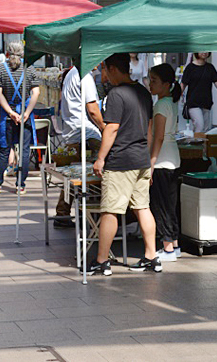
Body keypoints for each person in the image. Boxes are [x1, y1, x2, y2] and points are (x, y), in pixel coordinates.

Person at [90, 53, 161, 275]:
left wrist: (100, 158)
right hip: (141, 159)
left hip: (121, 160)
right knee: (142, 207)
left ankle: (102, 261)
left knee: (110, 210)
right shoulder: (143, 92)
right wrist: (149, 160)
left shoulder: (116, 94)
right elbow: (148, 130)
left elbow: (111, 128)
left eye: (104, 70)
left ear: (112, 69)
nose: (104, 76)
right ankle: (152, 256)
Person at [0, 42, 40, 194]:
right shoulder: (30, 68)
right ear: (23, 54)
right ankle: (20, 185)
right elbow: (36, 93)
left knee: (4, 149)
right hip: (25, 114)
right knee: (24, 150)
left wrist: (10, 112)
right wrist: (26, 113)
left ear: (7, 53)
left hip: (7, 116)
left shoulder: (1, 69)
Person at [54, 64, 104, 228]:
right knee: (94, 172)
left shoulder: (72, 73)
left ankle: (63, 213)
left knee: (74, 174)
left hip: (73, 131)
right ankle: (94, 214)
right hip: (85, 132)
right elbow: (93, 109)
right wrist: (105, 128)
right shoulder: (85, 76)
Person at [149, 63, 182, 262]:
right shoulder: (171, 101)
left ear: (166, 84)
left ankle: (168, 248)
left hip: (162, 160)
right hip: (173, 158)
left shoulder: (161, 105)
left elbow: (158, 137)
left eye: (154, 81)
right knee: (170, 205)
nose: (150, 85)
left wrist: (151, 163)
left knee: (161, 206)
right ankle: (174, 245)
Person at [181, 52, 217, 132]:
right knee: (199, 126)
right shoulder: (190, 68)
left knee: (206, 130)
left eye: (206, 50)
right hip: (193, 103)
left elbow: (216, 81)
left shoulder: (210, 67)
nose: (204, 52)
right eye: (202, 50)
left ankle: (200, 143)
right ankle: (197, 142)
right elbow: (183, 84)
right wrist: (177, 96)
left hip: (206, 103)